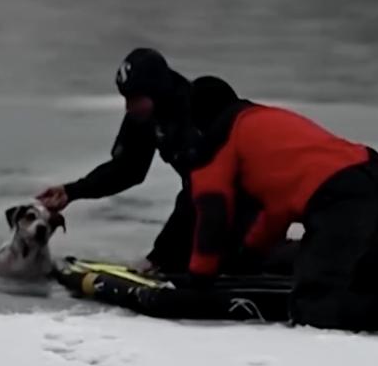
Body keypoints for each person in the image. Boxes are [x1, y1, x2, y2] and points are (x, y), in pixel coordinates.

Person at [185, 76, 378, 334]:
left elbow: (213, 211)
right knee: (360, 276)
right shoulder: (264, 118)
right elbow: (276, 212)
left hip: (341, 195)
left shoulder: (217, 139)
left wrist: (201, 275)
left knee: (311, 303)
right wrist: (251, 255)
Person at [35, 49, 263, 274]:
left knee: (204, 261)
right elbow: (127, 169)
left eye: (134, 99)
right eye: (125, 98)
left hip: (253, 195)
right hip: (211, 200)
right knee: (180, 261)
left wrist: (159, 255)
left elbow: (201, 190)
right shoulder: (146, 115)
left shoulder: (197, 112)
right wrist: (71, 191)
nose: (128, 107)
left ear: (157, 91)